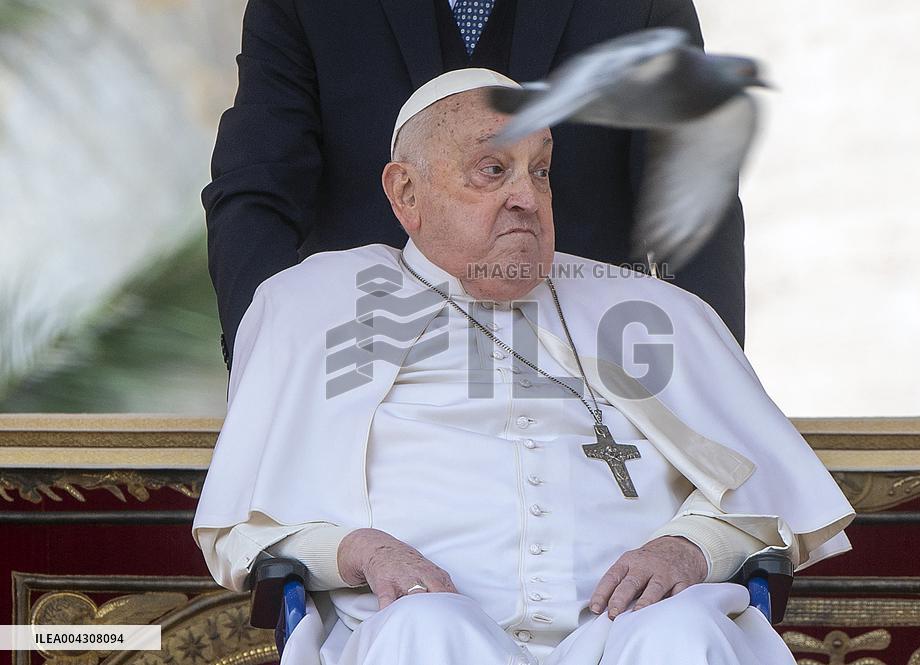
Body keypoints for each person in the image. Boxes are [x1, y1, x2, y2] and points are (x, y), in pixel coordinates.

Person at [193, 70, 853, 665]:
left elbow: (766, 502)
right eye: (492, 169)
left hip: (626, 634)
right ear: (406, 193)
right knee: (421, 629)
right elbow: (248, 532)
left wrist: (688, 548)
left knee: (678, 633)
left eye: (539, 170)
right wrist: (365, 550)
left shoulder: (656, 313)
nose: (527, 199)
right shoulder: (315, 308)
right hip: (420, 630)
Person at [202, 0, 748, 371]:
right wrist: (269, 359)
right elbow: (256, 185)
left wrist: (709, 383)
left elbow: (695, 196)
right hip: (370, 367)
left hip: (585, 370)